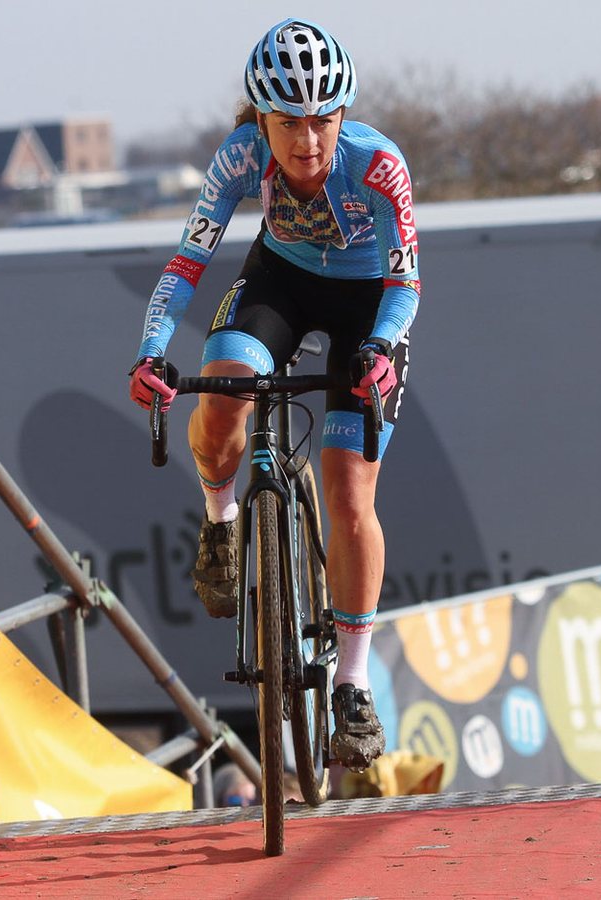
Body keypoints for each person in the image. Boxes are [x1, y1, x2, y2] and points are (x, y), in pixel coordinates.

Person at [128, 18, 418, 772]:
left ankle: (352, 685)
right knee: (221, 387)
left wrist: (381, 351)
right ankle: (221, 519)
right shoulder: (239, 158)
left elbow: (405, 282)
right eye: (289, 122)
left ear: (343, 115)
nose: (309, 142)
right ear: (262, 118)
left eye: (324, 120)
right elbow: (187, 263)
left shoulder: (380, 165)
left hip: (366, 305)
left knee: (348, 491)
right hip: (281, 282)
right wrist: (152, 352)